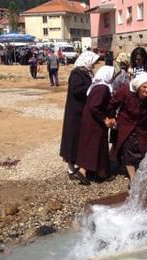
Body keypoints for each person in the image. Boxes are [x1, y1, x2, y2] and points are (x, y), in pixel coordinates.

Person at [108, 72, 147, 182]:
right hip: (127, 124)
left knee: (146, 151)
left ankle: (144, 174)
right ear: (138, 87)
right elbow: (112, 103)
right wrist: (112, 116)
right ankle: (133, 178)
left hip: (146, 126)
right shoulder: (126, 90)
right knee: (128, 152)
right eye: (144, 87)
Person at [60, 50, 100, 184]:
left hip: (82, 111)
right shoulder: (77, 73)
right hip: (75, 112)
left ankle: (78, 164)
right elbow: (77, 90)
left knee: (80, 139)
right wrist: (91, 87)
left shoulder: (86, 72)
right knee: (72, 138)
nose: (94, 65)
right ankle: (71, 168)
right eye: (93, 62)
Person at [76, 66, 116, 183]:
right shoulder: (102, 88)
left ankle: (85, 171)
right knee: (98, 146)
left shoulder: (97, 86)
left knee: (90, 145)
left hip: (90, 121)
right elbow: (94, 106)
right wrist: (104, 119)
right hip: (95, 122)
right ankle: (101, 173)